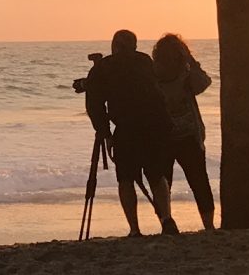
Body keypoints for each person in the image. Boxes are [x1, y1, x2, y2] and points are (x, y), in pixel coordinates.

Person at [82, 30, 177, 237]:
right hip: (155, 126)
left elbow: (95, 105)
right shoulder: (144, 62)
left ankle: (135, 229)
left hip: (127, 129)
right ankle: (167, 219)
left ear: (114, 45)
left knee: (125, 179)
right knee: (156, 175)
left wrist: (105, 133)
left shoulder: (105, 67)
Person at [149, 33, 217, 231]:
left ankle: (166, 221)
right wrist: (190, 59)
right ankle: (208, 225)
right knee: (199, 181)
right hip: (187, 134)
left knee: (162, 183)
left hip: (162, 135)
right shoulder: (185, 73)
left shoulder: (153, 74)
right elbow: (203, 83)